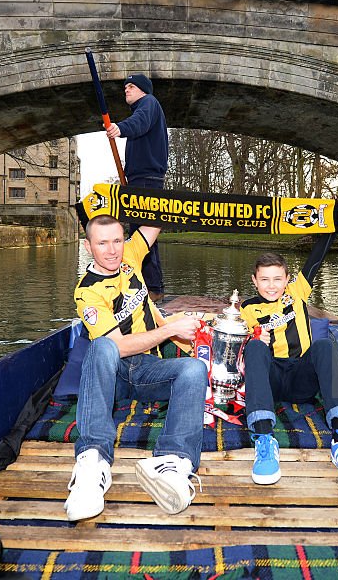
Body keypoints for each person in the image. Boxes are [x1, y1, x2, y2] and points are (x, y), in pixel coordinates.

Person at [66, 213, 207, 521]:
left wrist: (168, 200)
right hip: (113, 372)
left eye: (117, 240)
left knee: (195, 369)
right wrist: (171, 330)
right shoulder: (87, 291)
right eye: (102, 243)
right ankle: (93, 462)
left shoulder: (130, 254)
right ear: (88, 246)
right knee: (103, 345)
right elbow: (118, 346)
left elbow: (158, 216)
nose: (113, 250)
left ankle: (172, 461)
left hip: (146, 370)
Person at [239, 201, 338, 493]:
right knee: (255, 348)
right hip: (270, 381)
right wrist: (250, 339)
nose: (271, 286)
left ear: (287, 279)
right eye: (264, 280)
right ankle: (263, 437)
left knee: (324, 345)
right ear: (254, 281)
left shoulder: (296, 293)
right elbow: (236, 348)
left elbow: (318, 255)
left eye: (277, 279)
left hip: (301, 378)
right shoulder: (246, 308)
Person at [105, 74, 168, 302]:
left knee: (143, 235)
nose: (126, 90)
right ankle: (146, 286)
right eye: (125, 87)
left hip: (147, 180)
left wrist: (119, 129)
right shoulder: (143, 108)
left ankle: (152, 288)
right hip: (138, 179)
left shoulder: (148, 103)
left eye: (131, 86)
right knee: (141, 235)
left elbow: (138, 123)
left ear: (143, 89)